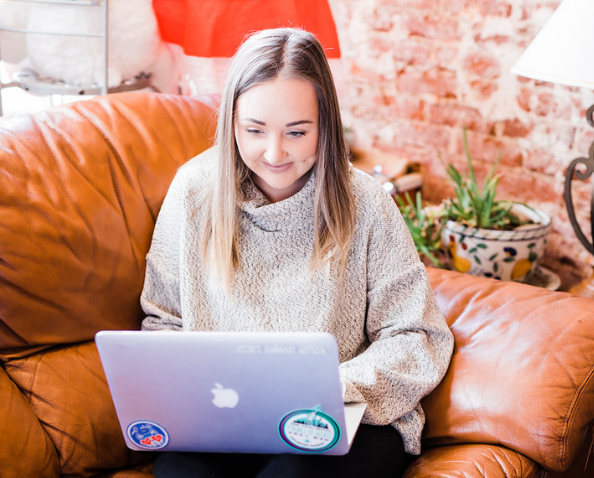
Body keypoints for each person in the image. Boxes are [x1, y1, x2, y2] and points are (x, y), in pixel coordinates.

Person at [141, 27, 454, 478]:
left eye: (296, 131)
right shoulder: (194, 191)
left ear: (325, 124)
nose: (274, 153)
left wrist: (326, 388)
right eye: (254, 130)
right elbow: (162, 319)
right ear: (231, 121)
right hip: (227, 418)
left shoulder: (366, 202)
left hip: (349, 415)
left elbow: (416, 337)